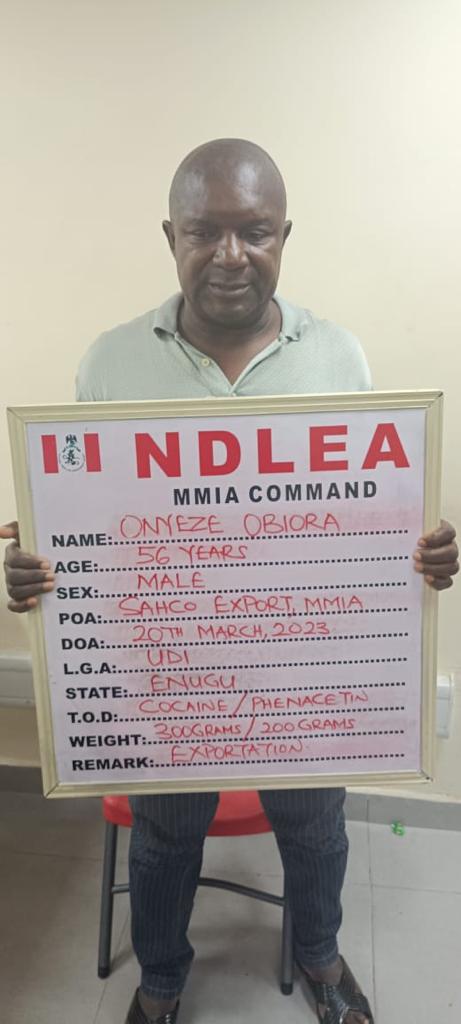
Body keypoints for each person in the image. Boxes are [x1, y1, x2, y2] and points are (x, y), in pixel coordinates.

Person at [1, 138, 459, 1024]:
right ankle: (162, 981)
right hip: (170, 678)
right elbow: (78, 526)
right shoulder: (109, 363)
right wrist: (35, 577)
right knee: (165, 840)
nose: (230, 254)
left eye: (254, 231)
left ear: (283, 235)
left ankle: (320, 958)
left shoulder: (340, 358)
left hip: (305, 678)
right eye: (203, 231)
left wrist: (422, 558)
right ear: (169, 236)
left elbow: (372, 520)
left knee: (316, 830)